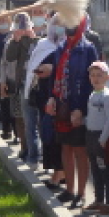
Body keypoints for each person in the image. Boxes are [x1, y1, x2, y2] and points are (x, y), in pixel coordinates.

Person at [43, 13, 100, 208]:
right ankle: (69, 190)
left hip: (77, 109)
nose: (69, 27)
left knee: (79, 151)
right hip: (61, 106)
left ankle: (81, 194)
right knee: (65, 148)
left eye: (73, 23)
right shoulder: (61, 47)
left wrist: (81, 109)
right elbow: (54, 76)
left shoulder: (88, 49)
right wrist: (52, 97)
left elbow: (92, 82)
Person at [31, 14, 68, 188]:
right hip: (46, 94)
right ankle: (56, 171)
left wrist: (52, 69)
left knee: (58, 137)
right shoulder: (46, 44)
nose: (59, 28)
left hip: (62, 97)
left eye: (63, 24)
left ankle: (61, 174)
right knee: (48, 135)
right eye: (56, 24)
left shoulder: (75, 45)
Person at [2, 12, 38, 161]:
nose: (22, 31)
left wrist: (33, 38)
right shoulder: (13, 40)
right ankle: (24, 148)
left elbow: (40, 54)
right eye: (19, 28)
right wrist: (15, 40)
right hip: (19, 83)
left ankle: (34, 151)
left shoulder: (36, 39)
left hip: (33, 85)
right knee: (19, 117)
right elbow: (9, 57)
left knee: (31, 120)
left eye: (24, 28)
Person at [85, 61, 109, 216]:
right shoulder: (92, 94)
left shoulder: (107, 97)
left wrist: (103, 139)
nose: (95, 78)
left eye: (99, 75)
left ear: (107, 77)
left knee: (106, 170)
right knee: (95, 169)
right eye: (93, 75)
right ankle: (98, 199)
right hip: (91, 135)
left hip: (102, 138)